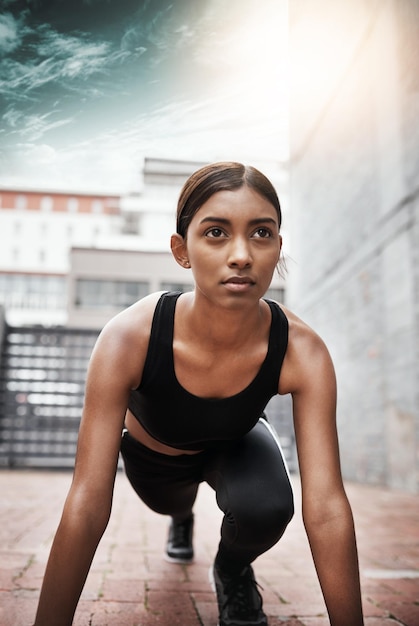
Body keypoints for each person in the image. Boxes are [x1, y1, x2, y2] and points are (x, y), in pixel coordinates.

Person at [33, 162, 364, 626]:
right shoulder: (130, 337)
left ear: (277, 247)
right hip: (158, 464)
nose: (242, 255)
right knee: (172, 503)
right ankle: (182, 517)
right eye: (216, 233)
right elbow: (87, 500)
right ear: (181, 250)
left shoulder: (302, 351)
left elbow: (327, 506)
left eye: (261, 233)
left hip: (237, 444)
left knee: (266, 507)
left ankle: (231, 569)